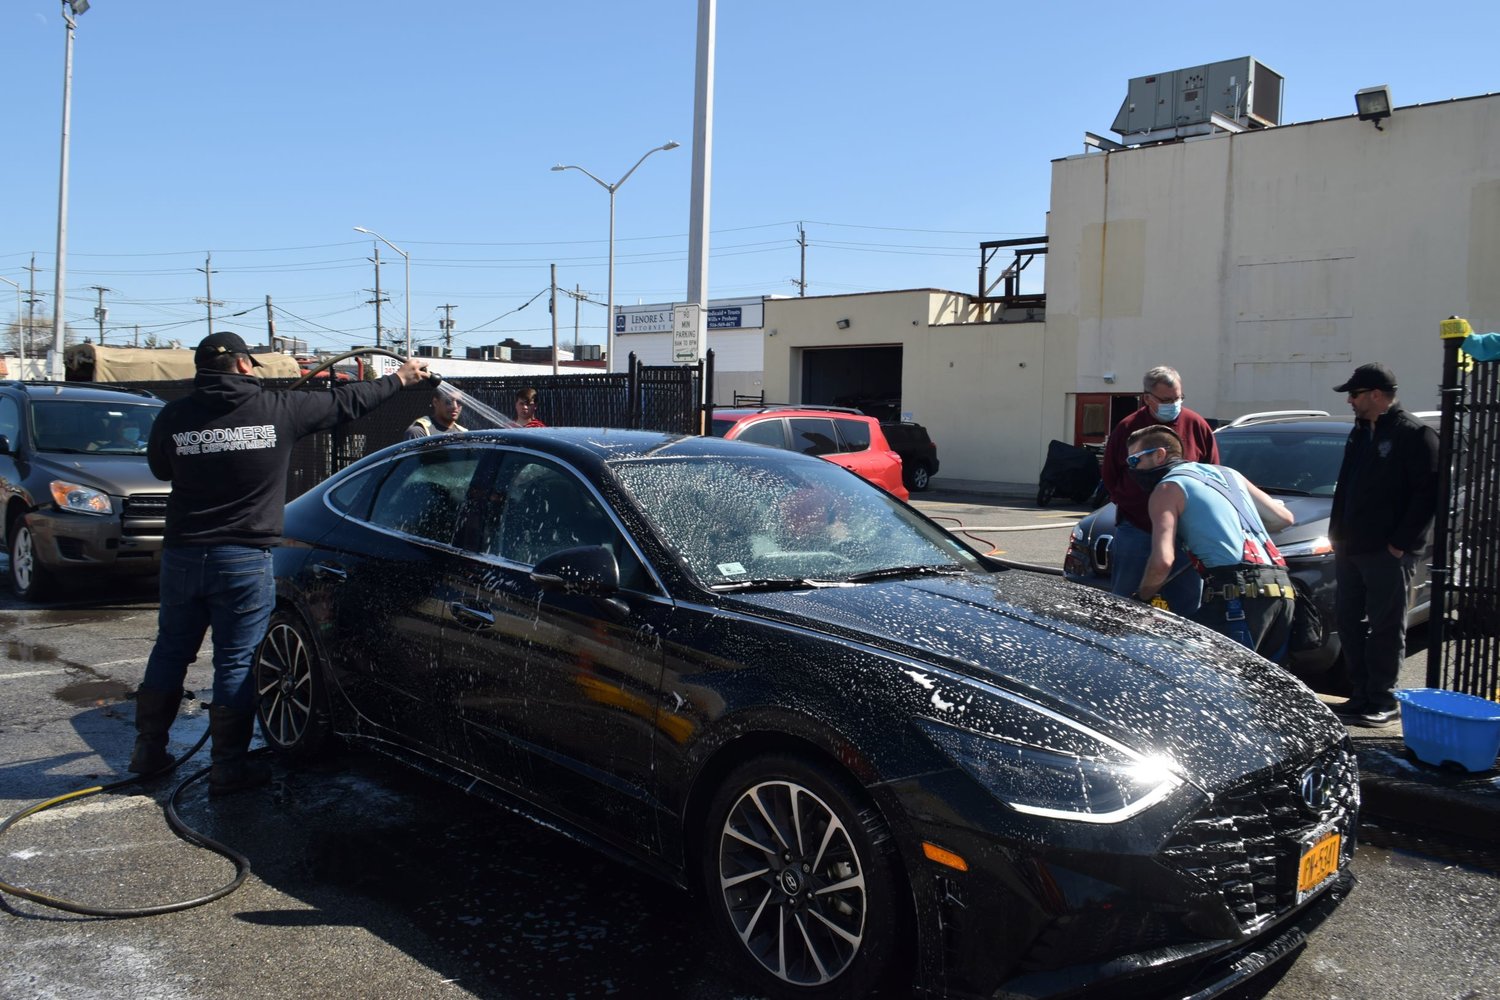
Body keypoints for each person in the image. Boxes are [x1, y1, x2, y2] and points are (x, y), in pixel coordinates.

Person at [130, 331, 432, 794]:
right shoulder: (278, 411)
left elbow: (160, 469)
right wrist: (400, 378)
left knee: (171, 650)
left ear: (202, 369)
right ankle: (228, 768)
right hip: (243, 559)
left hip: (184, 556)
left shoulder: (174, 416)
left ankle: (147, 751)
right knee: (235, 661)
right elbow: (347, 400)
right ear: (245, 365)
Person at [1327, 362, 1440, 727]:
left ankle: (1383, 699)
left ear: (1376, 394)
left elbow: (1428, 496)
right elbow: (1345, 486)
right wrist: (1336, 533)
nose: (1350, 402)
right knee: (1348, 620)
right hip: (1350, 547)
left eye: (1355, 394)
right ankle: (1360, 694)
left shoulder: (1415, 434)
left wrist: (1400, 544)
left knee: (1386, 626)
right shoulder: (1359, 432)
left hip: (1387, 551)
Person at [1128, 425, 1297, 657]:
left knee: (1217, 683)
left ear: (1159, 455)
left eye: (1134, 461)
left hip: (1236, 596)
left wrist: (1142, 598)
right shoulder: (1229, 474)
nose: (1132, 470)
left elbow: (1163, 561)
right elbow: (1284, 518)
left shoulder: (1167, 489)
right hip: (1282, 590)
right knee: (1265, 686)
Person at [1100, 366, 1220, 613]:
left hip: (1184, 534)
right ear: (1147, 398)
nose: (1173, 404)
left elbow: (1212, 474)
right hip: (1137, 529)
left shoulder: (1196, 425)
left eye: (1178, 398)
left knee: (1187, 608)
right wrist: (1132, 505)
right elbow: (1110, 476)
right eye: (1166, 400)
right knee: (1125, 604)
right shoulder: (1128, 428)